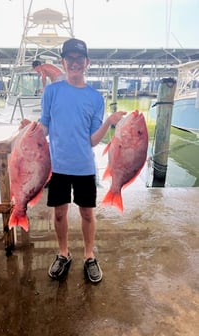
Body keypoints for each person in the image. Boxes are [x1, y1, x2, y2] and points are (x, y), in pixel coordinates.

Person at [38, 38, 126, 283]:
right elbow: (44, 126)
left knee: (87, 213)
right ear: (63, 62)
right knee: (59, 213)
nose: (75, 63)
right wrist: (31, 129)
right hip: (58, 166)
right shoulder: (52, 91)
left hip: (85, 167)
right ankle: (63, 253)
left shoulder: (95, 98)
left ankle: (89, 255)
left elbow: (93, 141)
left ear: (87, 62)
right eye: (70, 59)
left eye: (79, 59)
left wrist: (109, 122)